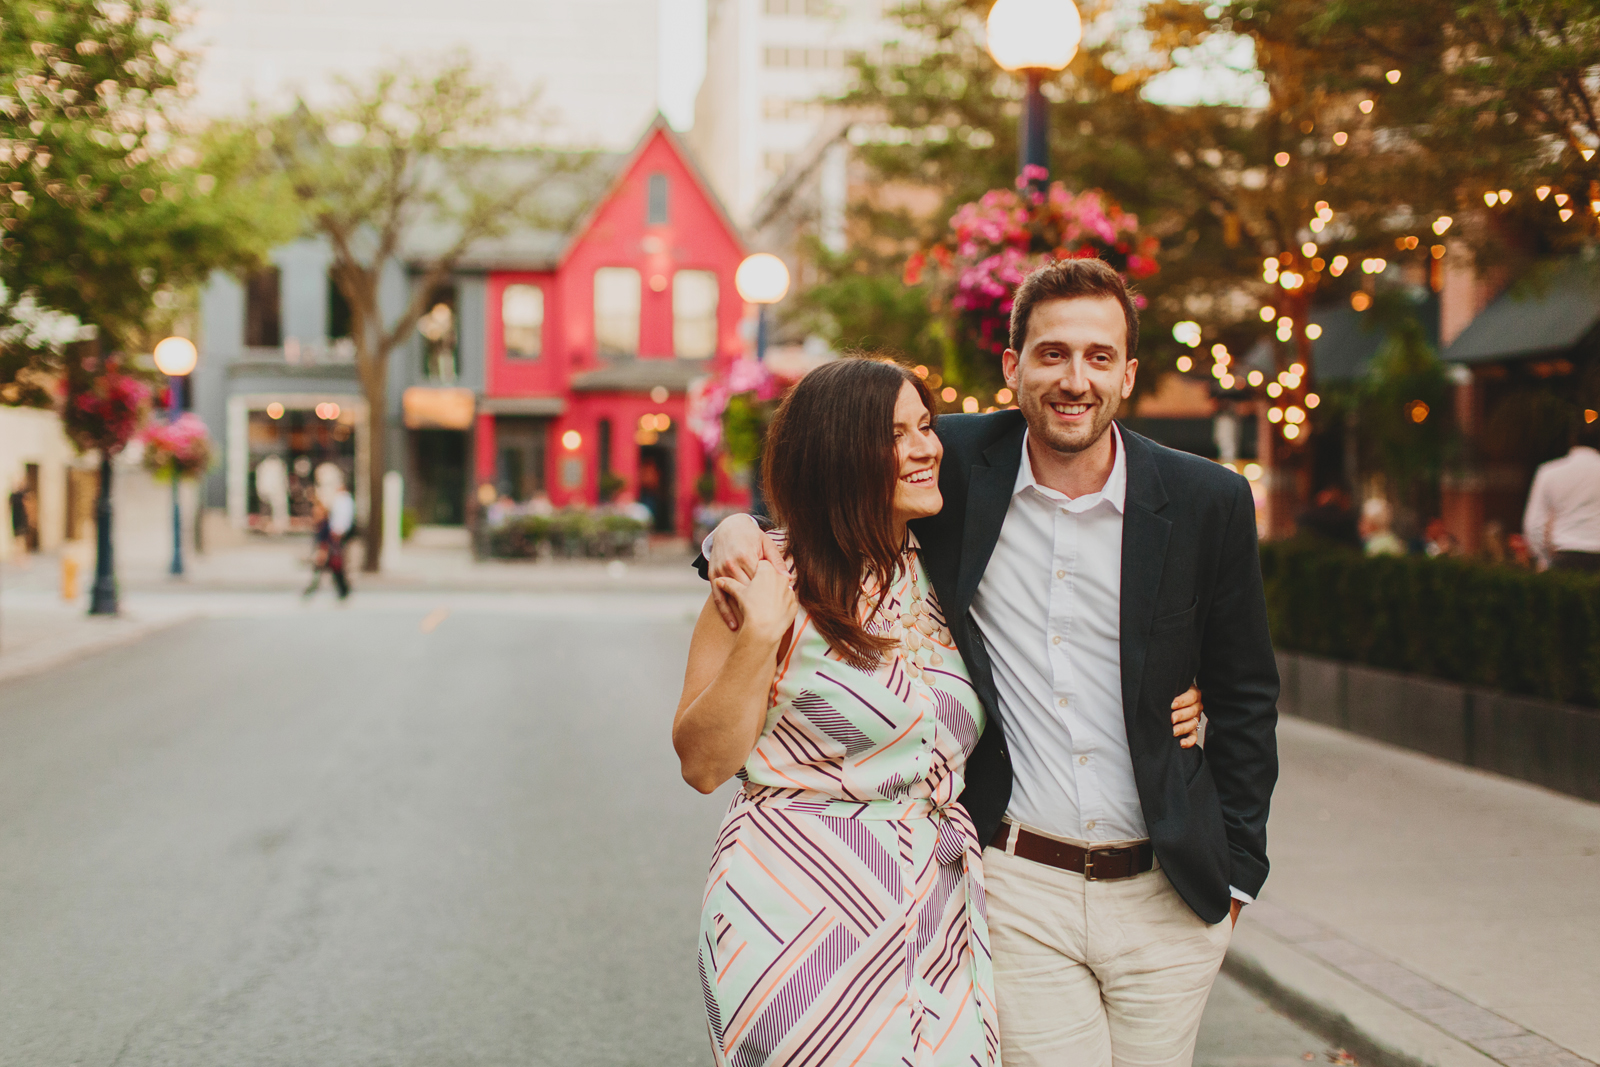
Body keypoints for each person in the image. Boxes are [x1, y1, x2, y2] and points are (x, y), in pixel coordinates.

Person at [706, 258, 1279, 1067]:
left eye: (1098, 356)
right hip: (1020, 881)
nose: (1074, 378)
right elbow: (832, 487)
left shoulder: (1205, 499)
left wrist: (1236, 879)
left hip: (1169, 891)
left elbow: (1248, 694)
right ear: (1011, 368)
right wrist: (729, 532)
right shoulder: (954, 462)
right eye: (1051, 354)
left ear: (1129, 374)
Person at [1522, 417, 1600, 573]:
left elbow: (1534, 525)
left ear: (1572, 440)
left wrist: (1545, 558)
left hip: (1564, 557)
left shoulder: (1548, 472)